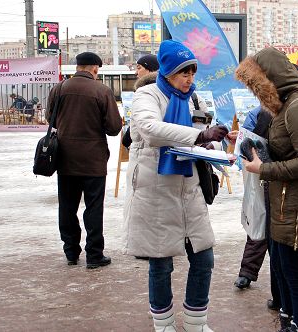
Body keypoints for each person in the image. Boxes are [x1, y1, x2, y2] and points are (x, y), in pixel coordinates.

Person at [123, 40, 229, 332]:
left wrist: (213, 140)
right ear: (168, 71)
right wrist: (198, 136)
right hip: (155, 191)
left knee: (204, 257)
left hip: (188, 188)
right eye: (184, 73)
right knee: (161, 263)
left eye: (193, 73)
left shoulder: (194, 99)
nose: (189, 79)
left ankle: (196, 322)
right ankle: (164, 323)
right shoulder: (147, 95)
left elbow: (200, 133)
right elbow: (149, 129)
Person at [236, 47, 298, 332]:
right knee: (285, 270)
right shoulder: (288, 104)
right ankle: (290, 322)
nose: (256, 94)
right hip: (286, 202)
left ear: (271, 79)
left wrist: (262, 168)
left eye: (257, 86)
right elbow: (286, 149)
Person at [46, 52, 122, 268]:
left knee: (67, 206)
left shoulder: (59, 88)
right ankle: (94, 255)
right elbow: (114, 128)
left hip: (65, 158)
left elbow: (50, 119)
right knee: (94, 207)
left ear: (77, 67)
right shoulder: (102, 91)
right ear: (95, 69)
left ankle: (71, 252)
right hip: (93, 160)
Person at [233, 106, 282, 312]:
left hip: (278, 177)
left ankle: (282, 296)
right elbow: (249, 139)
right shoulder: (264, 110)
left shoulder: (290, 108)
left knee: (271, 232)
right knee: (261, 224)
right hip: (269, 175)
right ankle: (248, 273)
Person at [122, 54, 160, 149]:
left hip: (146, 150)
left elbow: (142, 119)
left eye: (139, 68)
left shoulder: (146, 92)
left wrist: (126, 139)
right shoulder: (164, 89)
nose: (136, 72)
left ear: (150, 69)